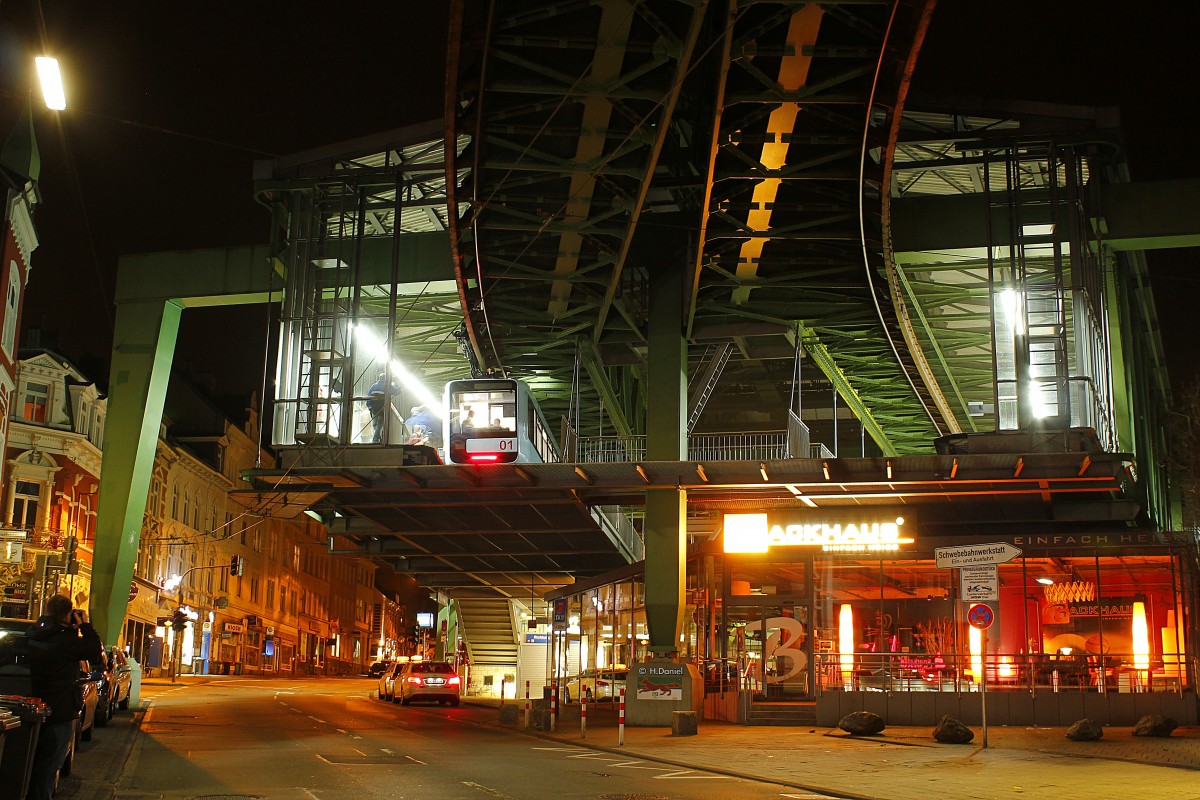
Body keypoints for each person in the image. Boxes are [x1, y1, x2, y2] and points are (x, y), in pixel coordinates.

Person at [25, 594, 102, 800]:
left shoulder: (33, 634)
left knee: (30, 764)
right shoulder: (65, 640)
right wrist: (84, 626)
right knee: (50, 765)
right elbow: (95, 650)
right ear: (69, 614)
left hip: (32, 708)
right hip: (60, 710)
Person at [366, 372, 398, 443]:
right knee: (380, 424)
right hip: (382, 409)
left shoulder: (373, 386)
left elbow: (368, 397)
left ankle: (378, 439)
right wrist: (399, 386)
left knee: (375, 424)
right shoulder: (386, 386)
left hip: (374, 409)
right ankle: (375, 439)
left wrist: (369, 407)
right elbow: (396, 392)